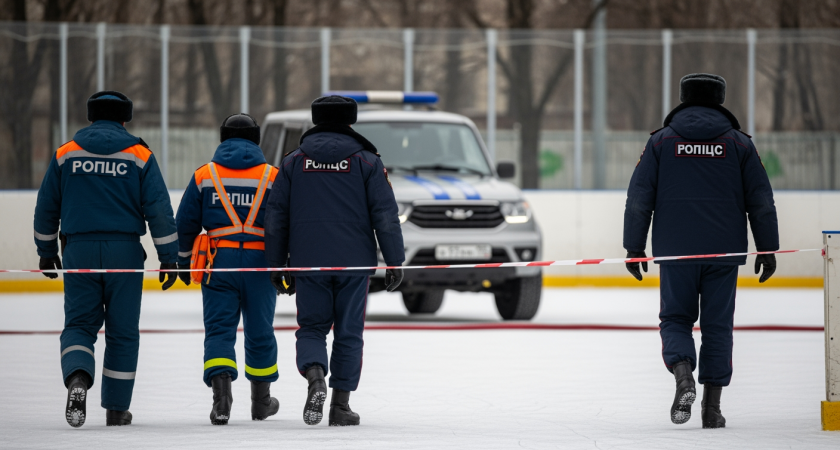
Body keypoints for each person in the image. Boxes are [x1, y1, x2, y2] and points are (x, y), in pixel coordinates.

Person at [623, 73, 779, 428]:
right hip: (723, 252)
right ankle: (712, 409)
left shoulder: (661, 142)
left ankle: (683, 377)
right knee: (717, 326)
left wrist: (634, 247)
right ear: (720, 100)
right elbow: (761, 201)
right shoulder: (740, 144)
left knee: (676, 319)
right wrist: (767, 248)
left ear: (683, 98)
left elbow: (639, 198)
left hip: (675, 251)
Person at [33, 91, 180, 428]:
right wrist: (169, 258)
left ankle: (78, 377)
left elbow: (46, 207)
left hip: (79, 251)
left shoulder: (66, 154)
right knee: (122, 332)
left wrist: (46, 251)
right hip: (124, 253)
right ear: (124, 119)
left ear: (90, 117)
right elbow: (159, 210)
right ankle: (116, 408)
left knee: (79, 325)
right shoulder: (139, 154)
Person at [264, 95, 405, 426]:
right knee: (349, 331)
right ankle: (340, 406)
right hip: (353, 263)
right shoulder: (367, 162)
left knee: (312, 327)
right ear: (350, 121)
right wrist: (395, 261)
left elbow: (276, 216)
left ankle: (316, 376)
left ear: (316, 120)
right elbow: (385, 215)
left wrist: (276, 263)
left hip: (308, 261)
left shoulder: (293, 162)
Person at [175, 113, 280, 425]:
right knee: (260, 330)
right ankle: (261, 403)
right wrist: (286, 264)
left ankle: (221, 401)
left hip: (218, 263)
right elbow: (286, 223)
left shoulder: (204, 175)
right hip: (261, 264)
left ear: (222, 138)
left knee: (219, 330)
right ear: (257, 139)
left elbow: (185, 223)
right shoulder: (273, 176)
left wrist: (181, 261)